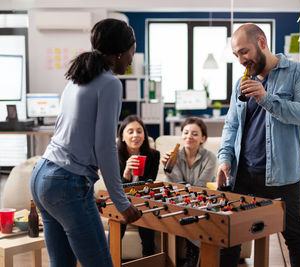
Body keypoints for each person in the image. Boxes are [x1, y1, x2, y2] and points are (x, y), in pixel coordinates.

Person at [30, 18, 141, 267]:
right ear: (119, 53)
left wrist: (82, 192)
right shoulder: (110, 83)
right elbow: (105, 147)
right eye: (131, 53)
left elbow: (70, 136)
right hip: (64, 181)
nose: (131, 60)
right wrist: (121, 203)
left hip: (43, 176)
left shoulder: (77, 77)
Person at [217, 23, 300, 267]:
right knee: (228, 238)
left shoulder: (298, 73)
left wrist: (266, 98)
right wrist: (224, 158)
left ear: (262, 42)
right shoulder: (239, 83)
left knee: (294, 237)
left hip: (283, 178)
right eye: (236, 55)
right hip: (242, 175)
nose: (241, 60)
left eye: (244, 51)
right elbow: (231, 125)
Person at [161, 116, 216, 267]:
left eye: (194, 134)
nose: (189, 137)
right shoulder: (174, 155)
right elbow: (176, 185)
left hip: (201, 200)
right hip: (180, 199)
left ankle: (193, 254)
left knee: (195, 210)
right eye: (185, 133)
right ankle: (193, 253)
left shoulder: (210, 157)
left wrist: (186, 189)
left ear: (203, 138)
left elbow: (200, 186)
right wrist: (169, 168)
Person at [117, 114, 160, 257]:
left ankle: (148, 260)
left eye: (139, 131)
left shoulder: (154, 156)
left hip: (142, 202)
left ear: (144, 135)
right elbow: (116, 189)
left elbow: (149, 184)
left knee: (147, 230)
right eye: (130, 132)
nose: (136, 135)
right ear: (122, 136)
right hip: (121, 201)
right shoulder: (114, 156)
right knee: (119, 224)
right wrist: (126, 174)